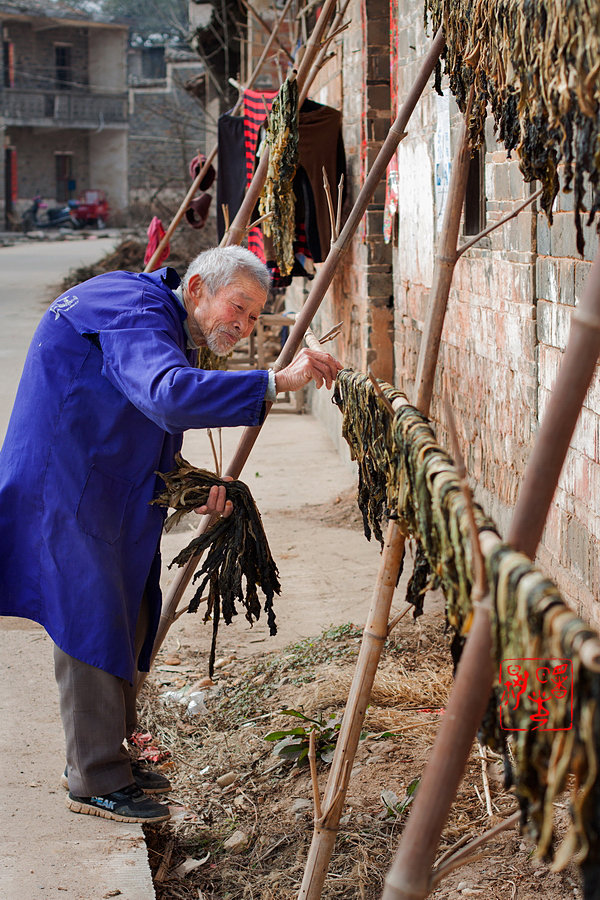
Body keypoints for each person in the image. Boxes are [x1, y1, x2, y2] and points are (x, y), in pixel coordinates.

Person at [0, 245, 341, 824]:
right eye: (238, 307)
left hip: (104, 482)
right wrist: (276, 380)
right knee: (90, 620)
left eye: (255, 316)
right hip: (67, 483)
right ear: (200, 289)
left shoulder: (160, 316)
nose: (243, 324)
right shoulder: (135, 310)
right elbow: (165, 393)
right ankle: (95, 779)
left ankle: (112, 754)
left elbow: (144, 411)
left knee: (130, 611)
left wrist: (189, 487)